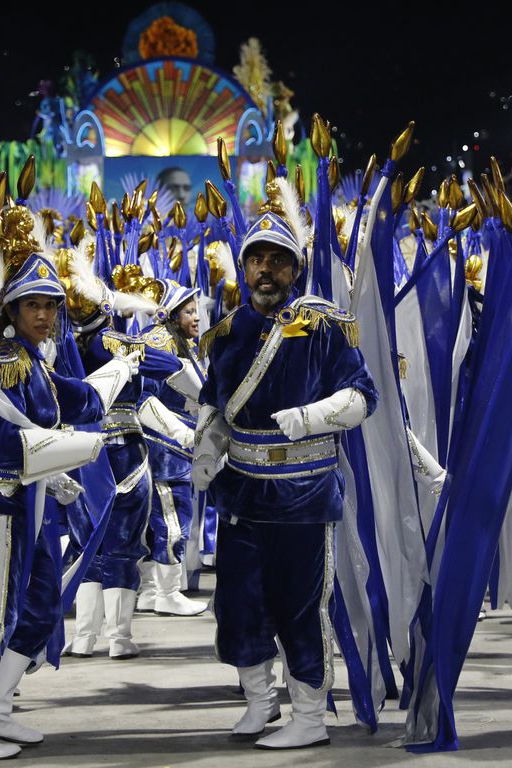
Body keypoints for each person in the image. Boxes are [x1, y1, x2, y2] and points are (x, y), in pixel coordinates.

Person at [0, 206, 139, 760]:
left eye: (52, 306)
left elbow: (74, 399)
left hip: (21, 503)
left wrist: (123, 368)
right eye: (35, 305)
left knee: (43, 606)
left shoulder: (31, 360)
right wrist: (79, 452)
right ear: (11, 308)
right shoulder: (3, 360)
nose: (47, 315)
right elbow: (6, 451)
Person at [192, 184, 377, 750]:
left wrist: (311, 416)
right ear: (243, 267)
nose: (265, 269)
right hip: (243, 491)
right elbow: (214, 400)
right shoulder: (226, 333)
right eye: (257, 259)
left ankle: (310, 718)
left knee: (300, 607)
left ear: (295, 269)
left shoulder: (324, 326)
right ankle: (259, 701)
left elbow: (363, 396)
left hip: (302, 490)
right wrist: (206, 446)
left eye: (278, 259)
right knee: (239, 605)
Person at [62, 256, 183, 659]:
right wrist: (152, 327)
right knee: (123, 545)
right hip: (123, 454)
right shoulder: (113, 343)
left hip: (78, 452)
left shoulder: (61, 346)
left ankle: (82, 637)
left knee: (86, 545)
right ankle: (119, 638)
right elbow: (168, 364)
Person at [136, 279, 208, 616]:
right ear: (170, 314)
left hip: (176, 447)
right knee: (171, 519)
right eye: (189, 312)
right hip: (164, 447)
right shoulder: (160, 343)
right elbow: (145, 398)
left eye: (197, 311)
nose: (197, 318)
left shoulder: (178, 343)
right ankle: (168, 592)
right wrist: (179, 433)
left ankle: (152, 592)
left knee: (166, 518)